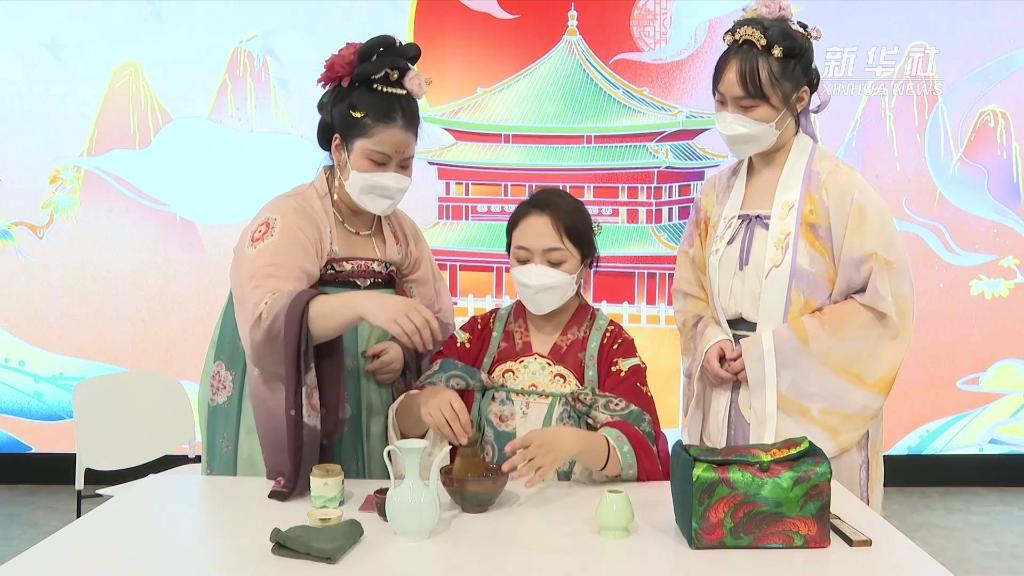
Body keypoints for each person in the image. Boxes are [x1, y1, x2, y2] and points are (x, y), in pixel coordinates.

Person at [672, 0, 913, 510]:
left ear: (799, 99)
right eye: (722, 103)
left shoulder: (841, 192)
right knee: (727, 522)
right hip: (724, 401)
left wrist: (770, 354)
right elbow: (691, 288)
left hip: (804, 415)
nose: (731, 118)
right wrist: (709, 340)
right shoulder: (715, 194)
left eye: (749, 106)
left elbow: (880, 309)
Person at [199, 35, 454, 500]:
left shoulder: (402, 233)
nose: (392, 176)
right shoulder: (294, 217)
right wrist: (362, 306)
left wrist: (404, 351)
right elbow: (267, 321)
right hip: (299, 403)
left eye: (404, 165)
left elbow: (436, 321)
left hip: (374, 406)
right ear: (340, 149)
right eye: (378, 160)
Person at [391, 188, 669, 485]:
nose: (536, 272)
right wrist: (423, 405)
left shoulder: (612, 346)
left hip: (578, 512)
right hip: (488, 510)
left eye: (555, 262)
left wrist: (579, 443)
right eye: (523, 260)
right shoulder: (478, 335)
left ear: (585, 264)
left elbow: (644, 449)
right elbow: (408, 426)